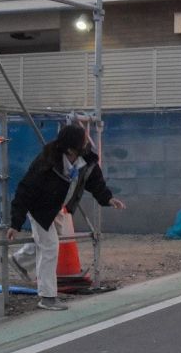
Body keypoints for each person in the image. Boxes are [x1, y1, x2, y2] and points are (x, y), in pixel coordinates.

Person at [7, 124, 125, 310]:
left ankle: (20, 260)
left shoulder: (85, 159)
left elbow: (95, 182)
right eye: (84, 140)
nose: (87, 143)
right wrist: (15, 223)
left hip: (57, 206)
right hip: (39, 207)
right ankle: (47, 297)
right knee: (50, 246)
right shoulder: (46, 161)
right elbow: (25, 190)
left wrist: (108, 199)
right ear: (71, 148)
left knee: (51, 238)